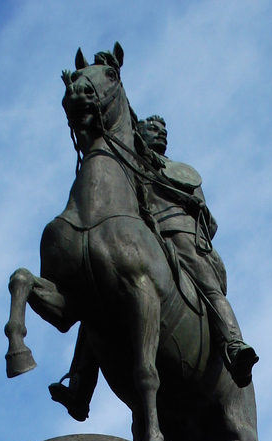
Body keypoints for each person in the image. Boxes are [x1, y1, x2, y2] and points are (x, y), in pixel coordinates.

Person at [50, 114, 258, 418]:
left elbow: (210, 225)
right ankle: (80, 386)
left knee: (210, 289)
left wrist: (195, 209)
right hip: (138, 238)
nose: (159, 132)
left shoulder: (183, 172)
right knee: (97, 300)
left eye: (163, 130)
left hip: (179, 235)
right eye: (151, 128)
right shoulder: (130, 164)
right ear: (138, 133)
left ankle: (234, 346)